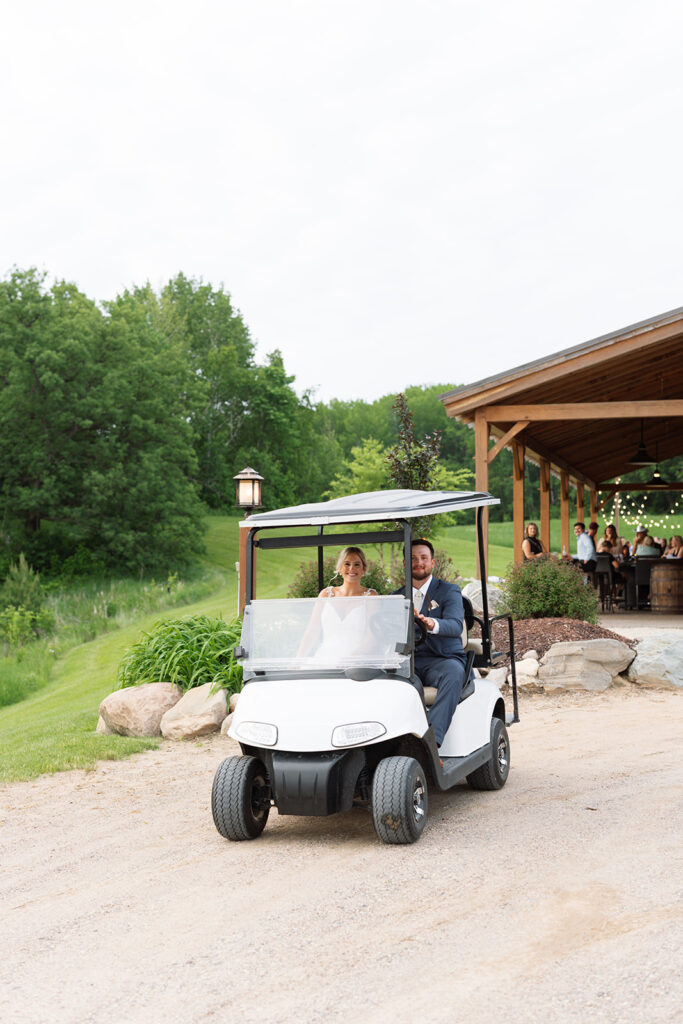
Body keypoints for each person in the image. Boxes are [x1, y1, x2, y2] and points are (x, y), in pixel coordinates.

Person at [403, 538, 469, 748]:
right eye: (413, 558)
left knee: (453, 673)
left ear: (432, 562)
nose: (418, 562)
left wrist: (431, 623)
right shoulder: (397, 596)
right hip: (410, 662)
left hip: (442, 659)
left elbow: (455, 625)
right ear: (405, 563)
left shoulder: (449, 591)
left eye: (423, 558)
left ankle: (432, 744)